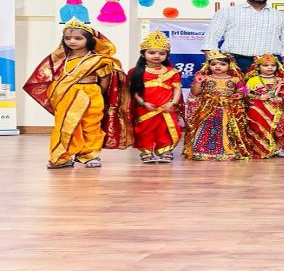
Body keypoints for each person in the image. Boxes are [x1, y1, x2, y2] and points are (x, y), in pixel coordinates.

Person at [23, 19, 133, 168]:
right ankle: (62, 157)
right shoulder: (59, 59)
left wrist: (93, 94)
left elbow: (104, 82)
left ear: (89, 40)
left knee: (91, 125)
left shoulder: (99, 60)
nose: (72, 41)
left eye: (78, 38)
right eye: (67, 38)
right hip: (65, 95)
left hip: (91, 94)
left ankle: (89, 155)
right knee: (65, 125)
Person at [200, 0, 284, 73]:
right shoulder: (228, 12)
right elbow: (211, 38)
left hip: (267, 65)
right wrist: (212, 62)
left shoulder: (281, 16)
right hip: (232, 64)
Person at [183, 51, 250, 161]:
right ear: (208, 65)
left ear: (230, 65)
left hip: (228, 109)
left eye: (222, 64)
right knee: (206, 127)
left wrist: (239, 94)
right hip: (208, 109)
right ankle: (201, 151)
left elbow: (245, 89)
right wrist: (198, 82)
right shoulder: (206, 78)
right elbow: (195, 92)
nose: (218, 66)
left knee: (227, 128)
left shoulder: (235, 79)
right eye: (214, 64)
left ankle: (228, 151)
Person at [129, 30, 183, 163]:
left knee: (165, 130)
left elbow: (177, 89)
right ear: (143, 54)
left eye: (162, 53)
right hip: (146, 108)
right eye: (152, 52)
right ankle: (146, 152)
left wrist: (173, 103)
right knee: (145, 130)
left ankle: (165, 151)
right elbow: (134, 91)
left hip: (166, 107)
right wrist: (143, 103)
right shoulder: (136, 72)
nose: (157, 56)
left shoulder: (172, 72)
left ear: (166, 55)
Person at [244, 53, 284, 158]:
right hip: (259, 107)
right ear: (258, 67)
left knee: (279, 129)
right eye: (265, 65)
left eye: (273, 65)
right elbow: (245, 92)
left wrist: (282, 98)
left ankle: (278, 148)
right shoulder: (252, 80)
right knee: (259, 126)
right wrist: (259, 97)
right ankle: (261, 148)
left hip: (278, 108)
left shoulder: (281, 80)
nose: (270, 67)